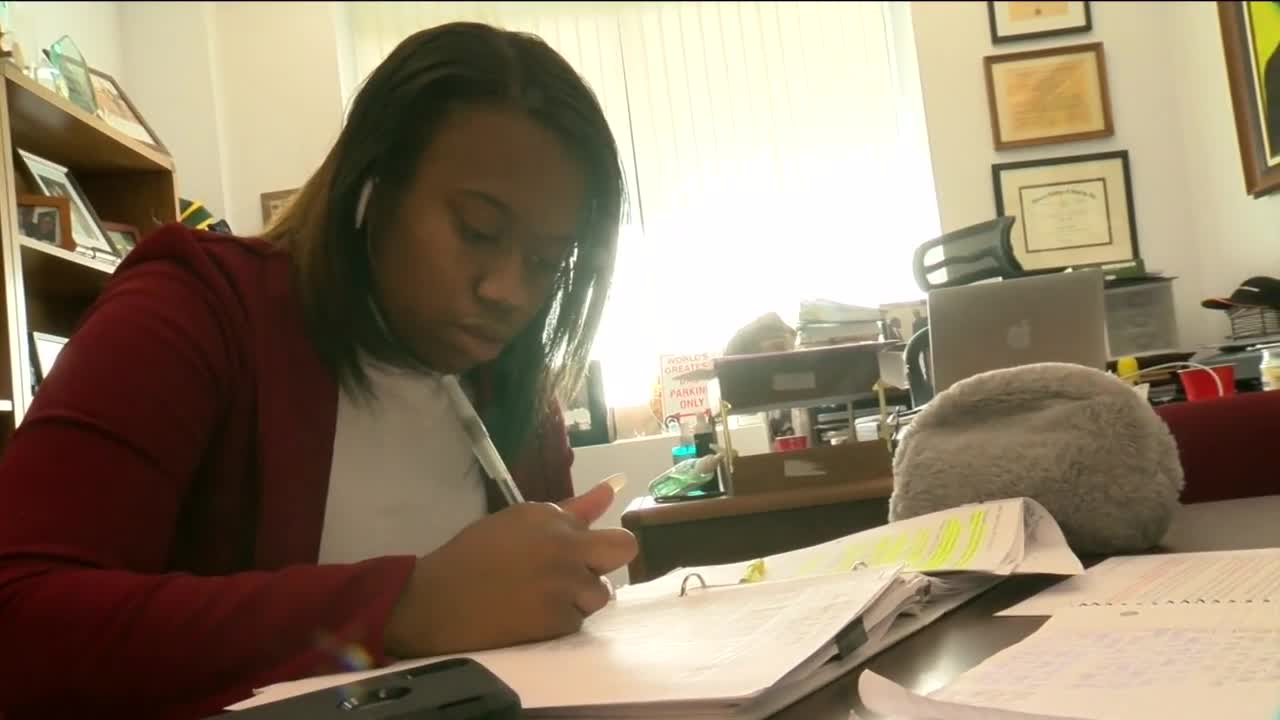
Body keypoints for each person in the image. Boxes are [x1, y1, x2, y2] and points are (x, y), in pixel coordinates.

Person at [0, 22, 636, 718]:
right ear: (373, 187)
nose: (509, 291)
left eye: (546, 260)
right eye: (478, 231)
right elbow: (21, 618)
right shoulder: (197, 312)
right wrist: (404, 604)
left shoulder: (509, 382)